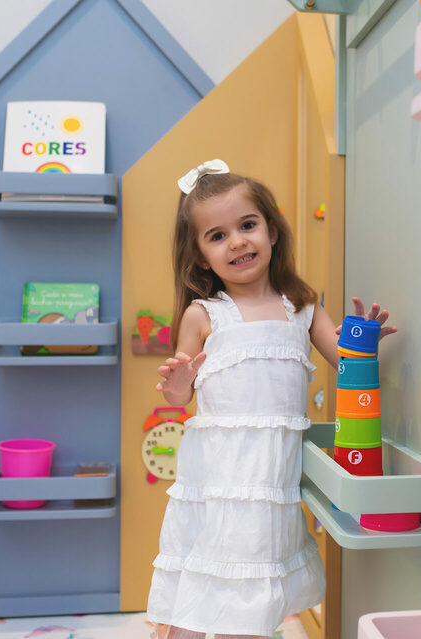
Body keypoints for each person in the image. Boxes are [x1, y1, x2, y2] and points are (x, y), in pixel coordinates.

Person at [146, 159, 396, 639]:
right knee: (201, 582)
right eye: (217, 236)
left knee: (253, 595)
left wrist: (364, 343)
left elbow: (344, 362)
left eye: (247, 225)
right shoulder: (204, 315)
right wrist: (178, 383)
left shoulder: (302, 306)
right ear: (201, 257)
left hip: (271, 480)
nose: (237, 242)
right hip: (218, 479)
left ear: (272, 231)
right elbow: (179, 396)